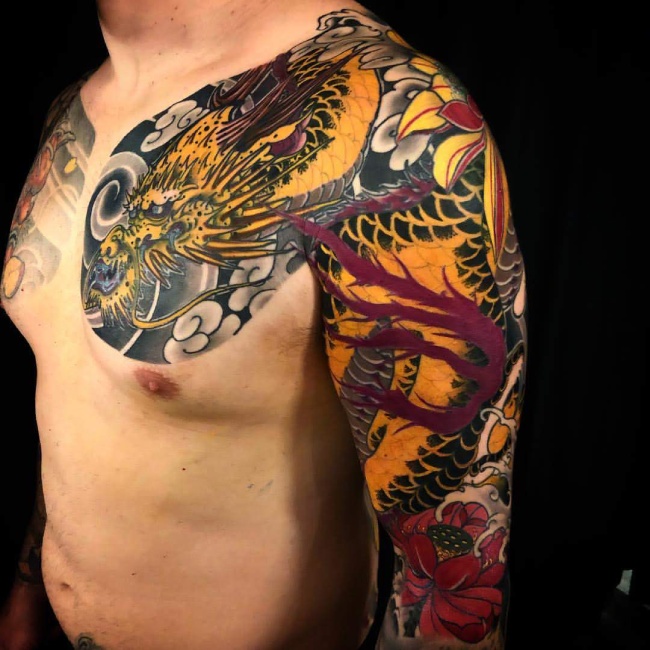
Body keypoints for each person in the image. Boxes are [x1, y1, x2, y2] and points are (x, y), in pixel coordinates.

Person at [0, 1, 528, 648]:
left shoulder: (400, 120)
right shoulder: (77, 108)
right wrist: (29, 587)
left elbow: (451, 576)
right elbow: (75, 406)